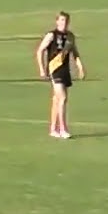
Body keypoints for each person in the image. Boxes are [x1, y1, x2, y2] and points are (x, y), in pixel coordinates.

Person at [35, 11, 85, 139]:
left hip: (65, 70)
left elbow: (75, 52)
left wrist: (80, 68)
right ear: (57, 21)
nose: (64, 23)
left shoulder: (70, 36)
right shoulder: (51, 35)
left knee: (57, 100)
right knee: (62, 98)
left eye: (66, 21)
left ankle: (53, 129)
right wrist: (41, 68)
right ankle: (63, 129)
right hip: (54, 69)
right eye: (62, 20)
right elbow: (40, 50)